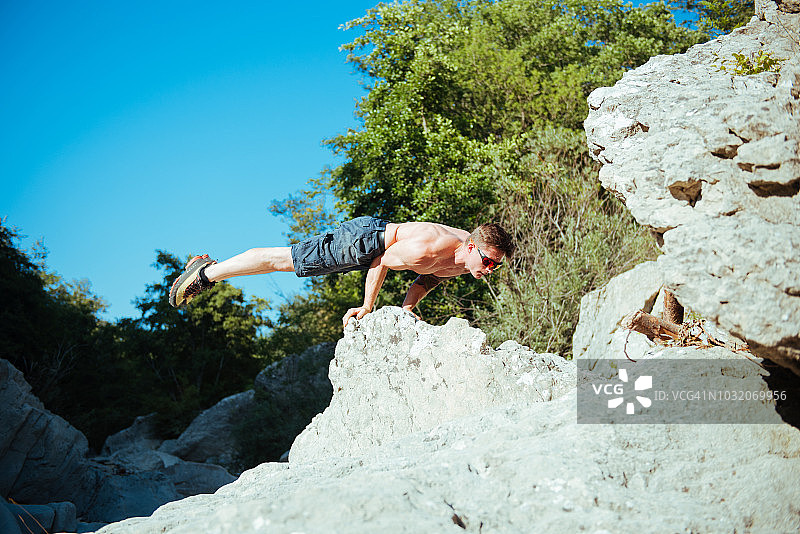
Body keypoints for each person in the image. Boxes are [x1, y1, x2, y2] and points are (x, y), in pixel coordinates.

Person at [169, 216, 515, 325]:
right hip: (365, 240)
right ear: (472, 246)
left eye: (495, 265)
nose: (490, 268)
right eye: (488, 260)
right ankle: (206, 273)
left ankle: (209, 270)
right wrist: (368, 306)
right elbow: (382, 261)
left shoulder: (463, 263)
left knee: (289, 261)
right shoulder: (430, 245)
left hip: (374, 241)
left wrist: (409, 308)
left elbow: (426, 279)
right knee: (288, 260)